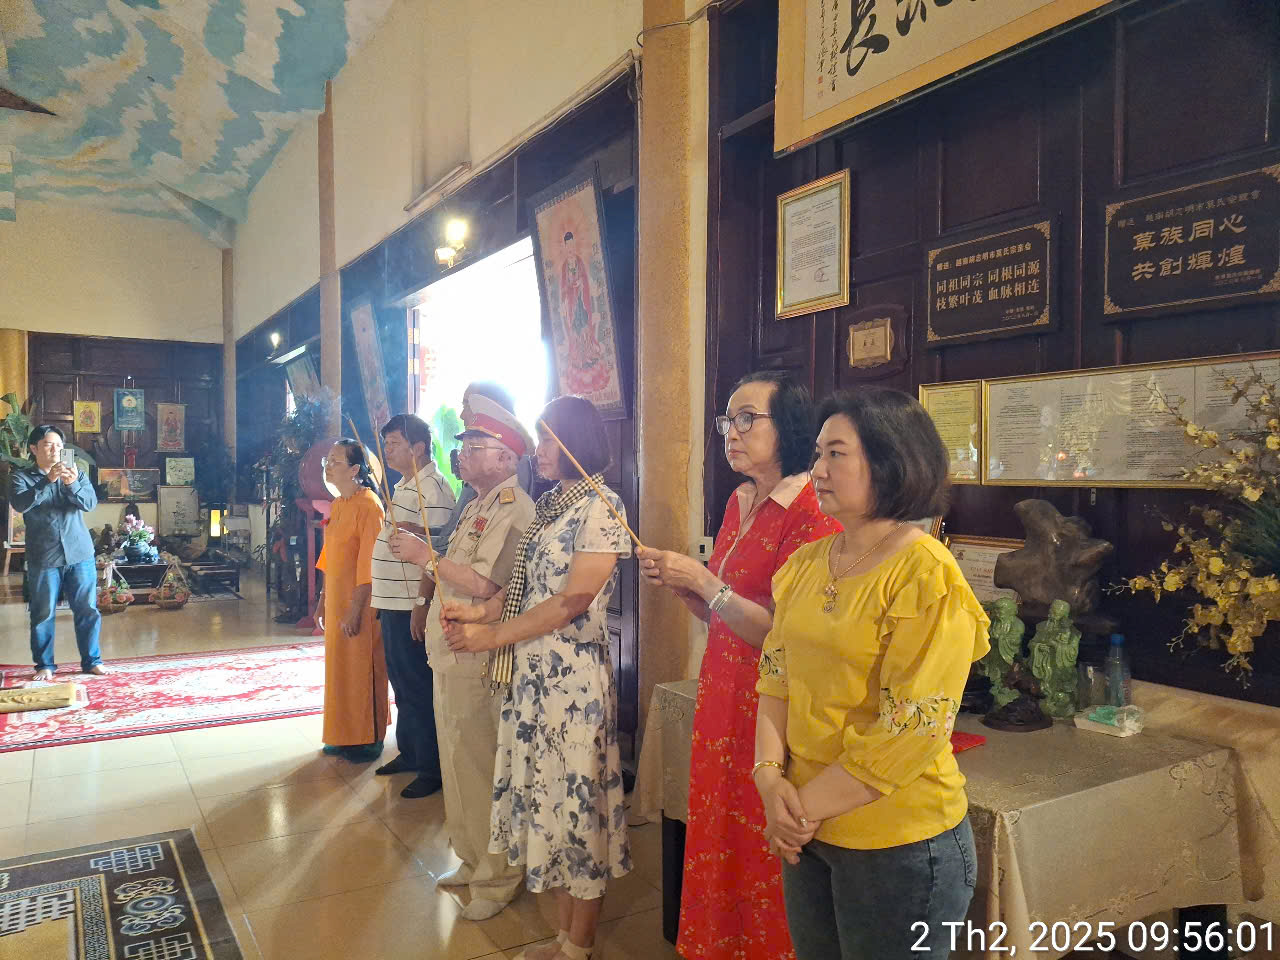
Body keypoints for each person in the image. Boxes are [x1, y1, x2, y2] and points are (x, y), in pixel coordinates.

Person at [753, 387, 990, 960]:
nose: (817, 470)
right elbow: (777, 678)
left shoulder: (924, 572)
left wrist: (797, 809)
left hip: (897, 839)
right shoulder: (807, 563)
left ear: (890, 461)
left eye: (836, 454)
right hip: (809, 827)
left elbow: (914, 728)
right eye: (818, 454)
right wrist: (769, 779)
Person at [637, 371, 839, 960]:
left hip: (774, 704)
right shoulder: (740, 499)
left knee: (761, 842)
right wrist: (688, 589)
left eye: (748, 418)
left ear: (789, 426)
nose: (732, 431)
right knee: (719, 827)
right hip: (723, 691)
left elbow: (787, 634)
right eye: (728, 419)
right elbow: (724, 613)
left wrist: (706, 583)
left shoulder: (810, 509)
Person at [441, 395, 630, 960]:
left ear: (577, 441)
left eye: (547, 439)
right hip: (533, 678)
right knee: (550, 804)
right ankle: (563, 936)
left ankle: (580, 946)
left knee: (578, 806)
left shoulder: (602, 505)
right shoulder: (552, 505)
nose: (538, 450)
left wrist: (493, 636)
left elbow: (572, 600)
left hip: (572, 682)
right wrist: (479, 613)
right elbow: (525, 587)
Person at [388, 398, 535, 920]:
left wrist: (425, 557)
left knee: (483, 765)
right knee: (456, 760)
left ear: (506, 457)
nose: (463, 455)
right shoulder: (475, 504)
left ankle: (499, 876)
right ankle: (472, 859)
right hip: (451, 649)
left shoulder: (515, 509)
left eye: (475, 447)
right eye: (464, 445)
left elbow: (487, 584)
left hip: (480, 651)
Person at [370, 414, 455, 798]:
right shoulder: (404, 484)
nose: (387, 451)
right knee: (402, 683)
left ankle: (432, 767)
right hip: (393, 601)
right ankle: (410, 751)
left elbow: (435, 552)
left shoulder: (432, 489)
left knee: (419, 686)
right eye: (386, 443)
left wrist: (422, 603)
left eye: (394, 443)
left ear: (418, 447)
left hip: (410, 604)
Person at [9, 425, 107, 681]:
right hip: (44, 556)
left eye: (59, 446)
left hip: (80, 553)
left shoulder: (76, 473)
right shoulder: (21, 477)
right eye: (48, 445)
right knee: (42, 613)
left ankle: (92, 661)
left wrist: (72, 484)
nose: (55, 450)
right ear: (34, 449)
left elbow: (89, 504)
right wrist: (48, 480)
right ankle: (45, 665)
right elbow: (20, 504)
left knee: (88, 609)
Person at [314, 439, 389, 762]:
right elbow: (330, 558)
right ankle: (342, 733)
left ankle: (368, 737)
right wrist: (322, 600)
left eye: (335, 462)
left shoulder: (369, 506)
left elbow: (370, 564)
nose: (328, 467)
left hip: (362, 603)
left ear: (355, 469)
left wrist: (355, 609)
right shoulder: (340, 504)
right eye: (327, 461)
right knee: (339, 670)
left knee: (362, 669)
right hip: (336, 602)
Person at [433, 383, 544, 552]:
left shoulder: (512, 466)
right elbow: (451, 537)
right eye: (465, 449)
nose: (462, 415)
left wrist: (426, 557)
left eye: (467, 405)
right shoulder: (475, 501)